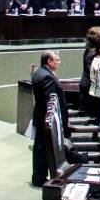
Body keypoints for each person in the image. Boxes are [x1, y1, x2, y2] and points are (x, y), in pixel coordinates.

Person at [31, 50, 66, 186]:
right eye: (57, 60)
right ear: (49, 61)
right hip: (44, 118)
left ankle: (39, 176)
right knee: (42, 148)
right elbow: (50, 102)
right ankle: (39, 178)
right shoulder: (46, 76)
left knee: (41, 147)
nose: (59, 62)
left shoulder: (41, 72)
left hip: (41, 115)